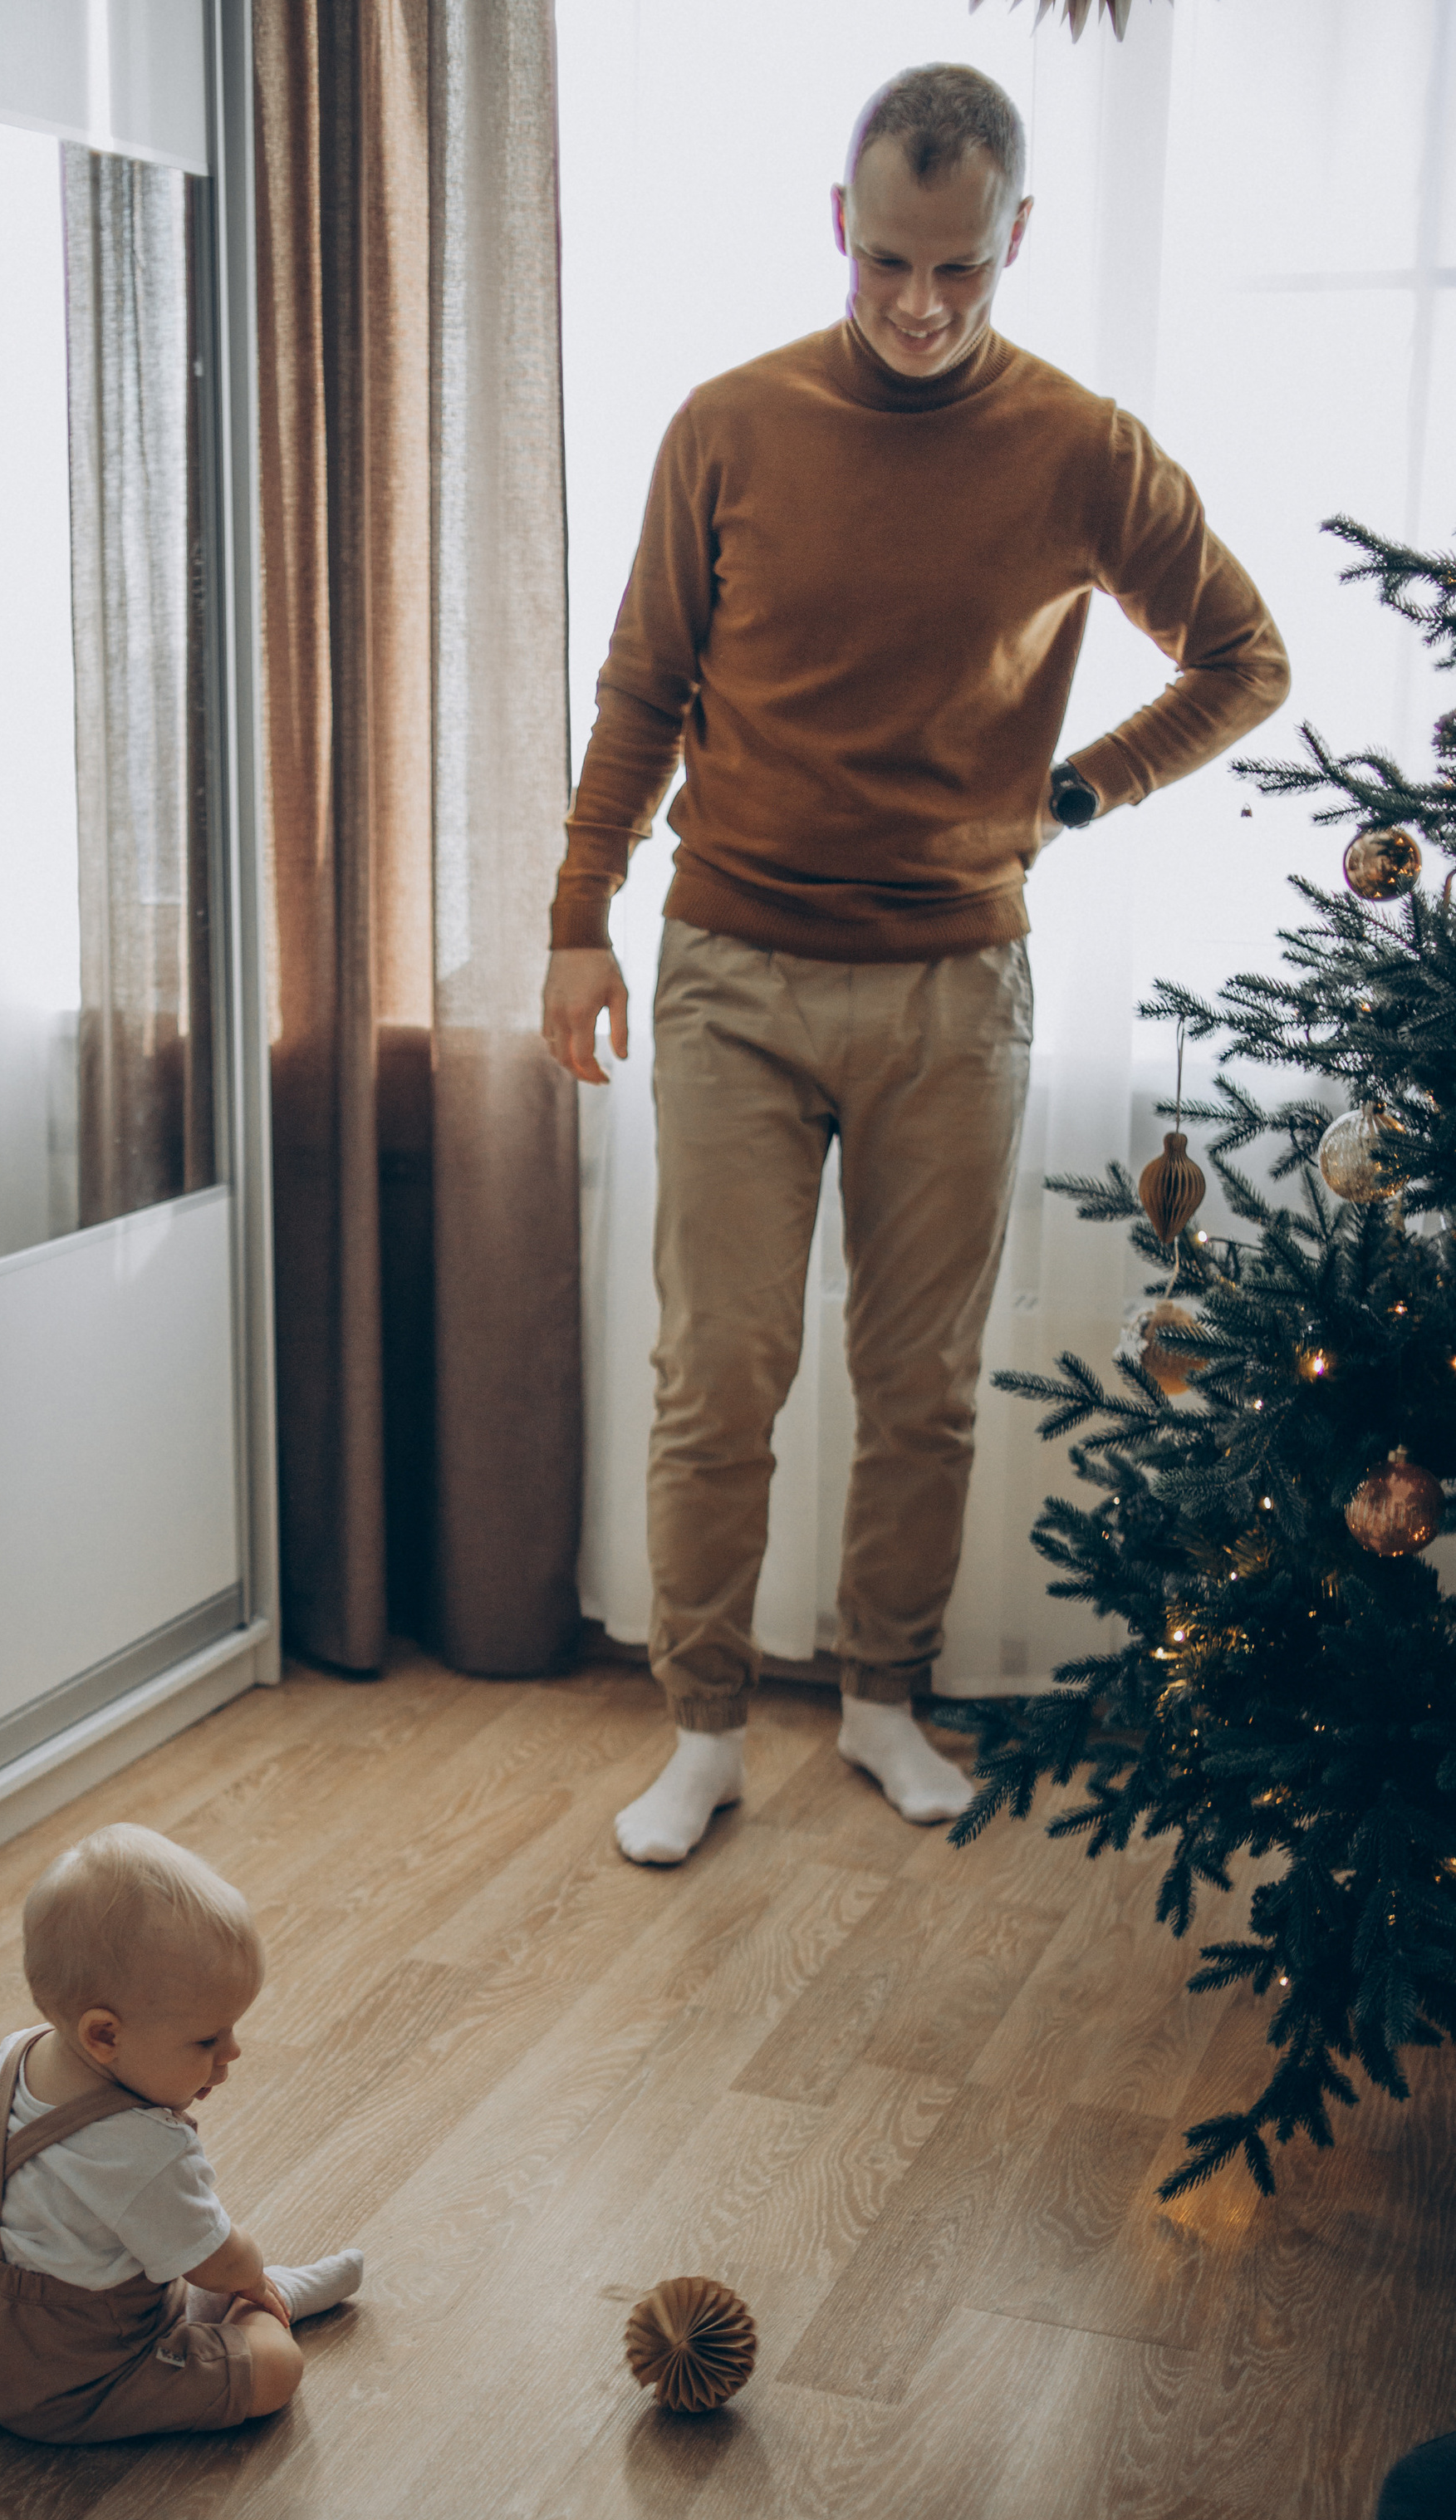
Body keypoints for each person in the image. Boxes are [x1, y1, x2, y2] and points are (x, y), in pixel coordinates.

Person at [542, 64, 1290, 1861]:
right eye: (888, 259)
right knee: (714, 1370)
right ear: (839, 225)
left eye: (959, 269)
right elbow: (643, 684)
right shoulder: (727, 424)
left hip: (956, 985)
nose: (919, 303)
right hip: (729, 965)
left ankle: (881, 1701)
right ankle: (703, 1730)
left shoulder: (1077, 446)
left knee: (919, 1380)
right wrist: (576, 917)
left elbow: (1240, 655)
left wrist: (1079, 791)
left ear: (1013, 239)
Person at [0, 1824, 365, 2443]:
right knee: (275, 2370)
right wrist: (249, 2275)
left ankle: (231, 2310)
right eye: (207, 2039)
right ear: (105, 2036)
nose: (232, 2052)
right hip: (70, 2383)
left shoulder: (8, 2058)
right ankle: (270, 2307)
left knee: (160, 2262)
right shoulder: (143, 2148)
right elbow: (217, 2259)